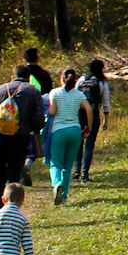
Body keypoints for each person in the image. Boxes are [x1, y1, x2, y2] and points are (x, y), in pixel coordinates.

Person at [0, 64, 45, 213]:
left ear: (13, 76)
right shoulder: (33, 91)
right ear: (29, 78)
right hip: (19, 137)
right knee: (13, 174)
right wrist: (33, 129)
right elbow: (39, 117)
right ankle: (10, 209)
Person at [42, 68, 91, 205]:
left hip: (59, 131)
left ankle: (57, 184)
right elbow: (89, 109)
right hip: (75, 130)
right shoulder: (79, 94)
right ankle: (63, 197)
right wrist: (89, 127)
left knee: (55, 164)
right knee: (68, 167)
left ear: (62, 78)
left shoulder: (55, 92)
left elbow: (52, 111)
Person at [18, 46, 56, 170]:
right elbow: (50, 94)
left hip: (22, 109)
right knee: (35, 136)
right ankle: (30, 161)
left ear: (24, 60)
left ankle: (21, 162)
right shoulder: (45, 74)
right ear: (37, 58)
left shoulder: (22, 74)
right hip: (40, 110)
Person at [75, 58, 111, 183]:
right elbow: (106, 102)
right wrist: (106, 119)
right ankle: (85, 174)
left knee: (78, 142)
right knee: (90, 144)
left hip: (80, 113)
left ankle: (76, 171)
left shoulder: (82, 79)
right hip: (94, 113)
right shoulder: (102, 82)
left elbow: (75, 94)